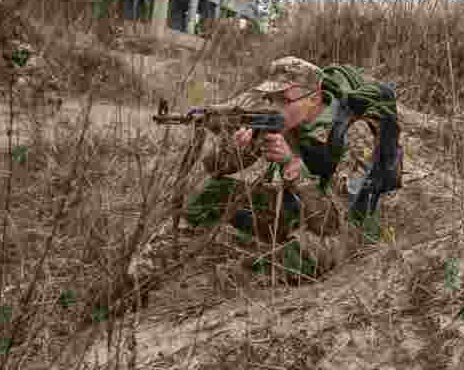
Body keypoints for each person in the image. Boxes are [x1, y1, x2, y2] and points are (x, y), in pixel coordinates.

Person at [129, 56, 385, 295]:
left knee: (301, 254)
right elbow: (217, 168)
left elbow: (333, 221)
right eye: (271, 99)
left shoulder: (352, 130)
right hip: (297, 211)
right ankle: (141, 274)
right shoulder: (281, 122)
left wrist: (292, 165)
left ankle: (213, 290)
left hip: (343, 228)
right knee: (212, 192)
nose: (275, 107)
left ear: (315, 97)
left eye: (284, 99)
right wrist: (236, 147)